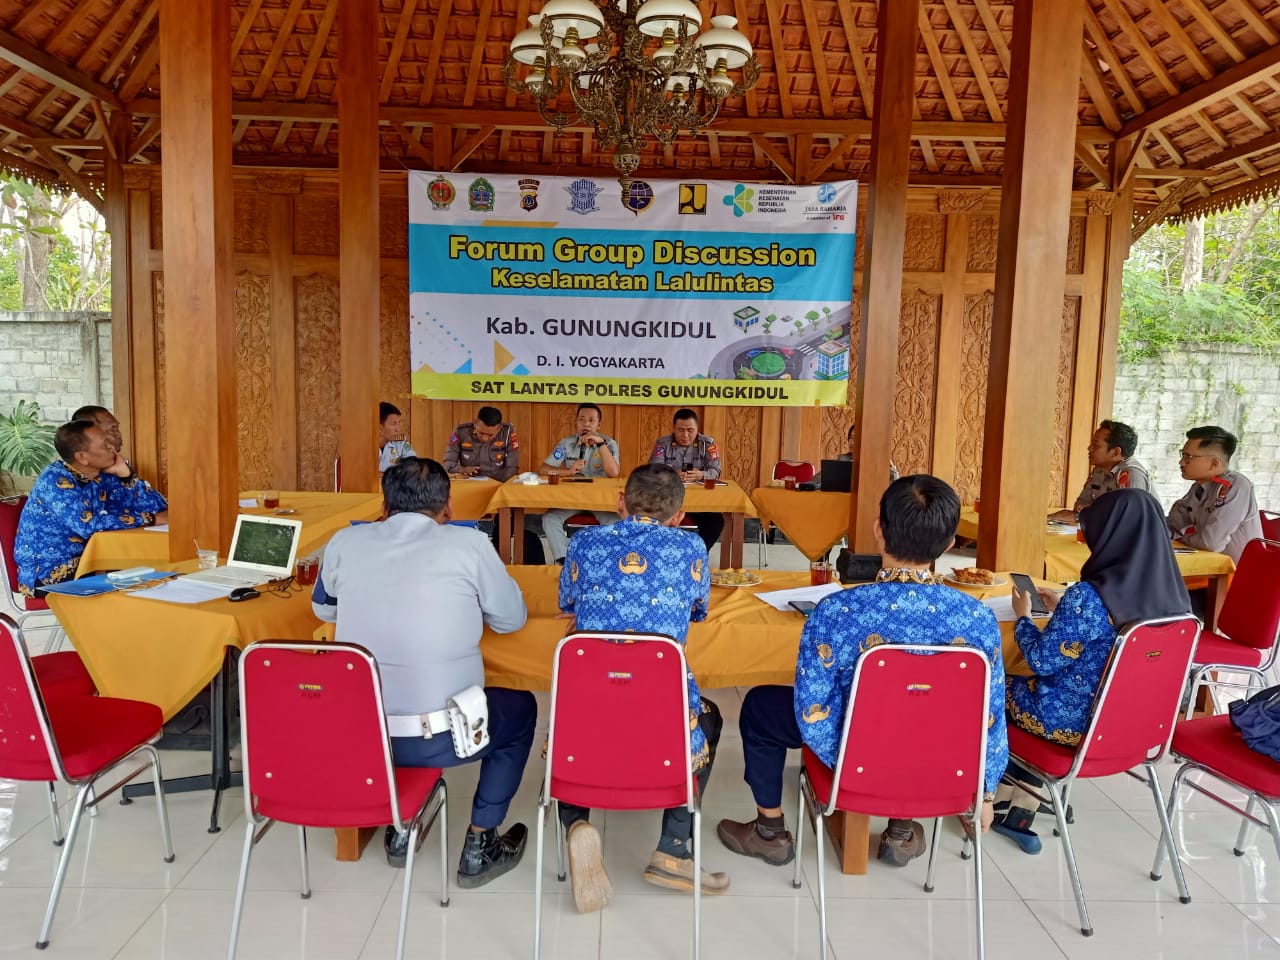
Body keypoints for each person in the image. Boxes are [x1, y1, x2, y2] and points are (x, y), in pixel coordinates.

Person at [716, 475, 1008, 869]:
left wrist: (846, 759)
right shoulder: (978, 617)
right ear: (951, 543)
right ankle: (901, 830)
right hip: (932, 750)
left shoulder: (838, 610)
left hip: (855, 751)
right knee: (920, 714)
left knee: (760, 706)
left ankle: (769, 830)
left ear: (878, 530)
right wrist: (985, 791)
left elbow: (811, 705)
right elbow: (989, 717)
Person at [312, 457, 534, 886]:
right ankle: (481, 843)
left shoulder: (345, 542)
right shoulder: (468, 546)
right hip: (446, 735)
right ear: (448, 508)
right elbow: (511, 620)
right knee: (520, 710)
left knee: (401, 696)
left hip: (363, 738)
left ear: (384, 504)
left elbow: (323, 607)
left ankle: (402, 822)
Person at [556, 463, 727, 911]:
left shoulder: (583, 541)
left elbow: (566, 601)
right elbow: (698, 610)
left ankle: (576, 826)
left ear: (619, 501)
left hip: (588, 700)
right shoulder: (691, 545)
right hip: (661, 703)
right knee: (707, 716)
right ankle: (673, 848)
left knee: (570, 725)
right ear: (679, 515)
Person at [998, 489, 1191, 853]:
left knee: (999, 684)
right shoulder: (1175, 596)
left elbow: (1041, 659)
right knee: (1035, 685)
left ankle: (1004, 800)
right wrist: (1065, 609)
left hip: (1074, 725)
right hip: (1135, 726)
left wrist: (1024, 617)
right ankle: (1023, 798)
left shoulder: (1088, 598)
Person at [15, 420, 169, 593]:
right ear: (82, 457)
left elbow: (159, 508)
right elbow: (88, 524)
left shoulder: (101, 476)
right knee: (141, 579)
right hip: (48, 572)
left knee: (155, 573)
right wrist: (151, 519)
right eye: (105, 445)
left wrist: (127, 476)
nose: (113, 448)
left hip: (91, 562)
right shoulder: (56, 480)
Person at [1166, 425, 1263, 564]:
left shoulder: (1236, 486)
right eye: (1183, 455)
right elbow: (1173, 525)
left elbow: (1210, 542)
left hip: (1239, 575)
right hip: (1210, 568)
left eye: (1188, 457)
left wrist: (1181, 539)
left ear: (1214, 463)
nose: (1181, 462)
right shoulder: (1199, 487)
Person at [541, 403, 621, 563]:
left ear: (599, 424)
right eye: (582, 420)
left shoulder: (609, 444)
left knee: (617, 522)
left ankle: (606, 560)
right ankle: (564, 559)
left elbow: (614, 473)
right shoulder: (565, 444)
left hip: (600, 500)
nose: (586, 424)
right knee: (549, 519)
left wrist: (600, 444)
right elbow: (544, 469)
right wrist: (568, 472)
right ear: (576, 423)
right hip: (572, 498)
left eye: (591, 420)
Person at [648, 408, 724, 551]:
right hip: (670, 500)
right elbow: (653, 469)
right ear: (673, 429)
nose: (685, 435)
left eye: (690, 430)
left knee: (716, 521)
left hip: (700, 502)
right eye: (680, 430)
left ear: (697, 429)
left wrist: (701, 474)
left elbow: (716, 471)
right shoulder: (662, 444)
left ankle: (697, 553)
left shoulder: (708, 444)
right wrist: (671, 473)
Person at [1049, 419, 1149, 522]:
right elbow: (1080, 505)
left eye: (1096, 445)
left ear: (1115, 452)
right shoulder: (1099, 469)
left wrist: (1082, 516)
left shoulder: (1131, 474)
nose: (1089, 448)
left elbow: (1128, 518)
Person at [443, 406, 521, 481]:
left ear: (499, 429)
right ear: (475, 423)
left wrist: (497, 485)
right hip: (469, 482)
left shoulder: (507, 433)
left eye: (490, 435)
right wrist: (460, 469)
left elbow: (512, 467)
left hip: (498, 484)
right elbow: (448, 463)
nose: (484, 438)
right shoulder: (461, 432)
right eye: (481, 432)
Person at [378, 402, 416, 475]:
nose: (398, 429)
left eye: (399, 423)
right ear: (380, 427)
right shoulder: (365, 444)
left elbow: (413, 463)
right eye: (394, 424)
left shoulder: (401, 442)